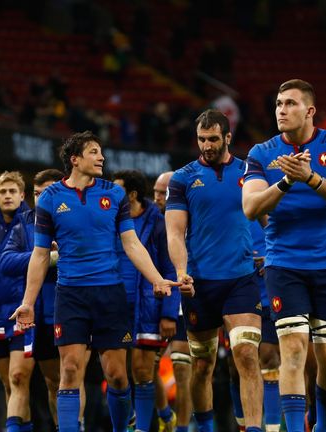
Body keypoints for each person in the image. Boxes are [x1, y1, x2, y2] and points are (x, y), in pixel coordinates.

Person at [10, 131, 183, 432]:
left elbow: (131, 243)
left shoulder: (114, 195)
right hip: (71, 295)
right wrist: (27, 302)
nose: (101, 157)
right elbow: (39, 256)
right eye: (93, 152)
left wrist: (157, 279)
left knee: (116, 374)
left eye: (100, 152)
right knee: (69, 369)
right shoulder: (50, 199)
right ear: (74, 159)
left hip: (109, 294)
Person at [241, 79, 326, 432]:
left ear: (309, 111)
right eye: (278, 103)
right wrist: (284, 182)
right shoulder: (262, 153)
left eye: (290, 103)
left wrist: (309, 177)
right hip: (284, 264)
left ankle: (322, 426)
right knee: (292, 353)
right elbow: (250, 207)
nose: (281, 110)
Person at [166, 109, 263, 432]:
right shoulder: (181, 179)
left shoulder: (250, 172)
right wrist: (181, 272)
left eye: (213, 139)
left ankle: (254, 428)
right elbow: (175, 233)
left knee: (247, 355)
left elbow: (268, 218)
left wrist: (269, 253)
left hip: (241, 279)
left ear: (227, 137)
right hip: (199, 283)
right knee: (203, 364)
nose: (206, 145)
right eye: (202, 139)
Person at [0, 168, 90, 429]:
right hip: (40, 314)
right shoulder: (24, 223)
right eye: (38, 193)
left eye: (47, 192)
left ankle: (77, 426)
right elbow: (6, 261)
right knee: (53, 381)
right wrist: (43, 258)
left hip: (74, 307)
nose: (42, 199)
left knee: (72, 374)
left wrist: (65, 255)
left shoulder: (78, 217)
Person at [112, 169, 179, 432]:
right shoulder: (111, 218)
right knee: (116, 373)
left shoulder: (158, 223)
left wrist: (169, 314)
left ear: (132, 194)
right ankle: (146, 417)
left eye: (117, 190)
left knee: (142, 371)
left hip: (147, 307)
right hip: (115, 305)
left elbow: (169, 268)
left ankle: (141, 427)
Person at [0, 171, 34, 432]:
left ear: (22, 195)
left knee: (18, 376)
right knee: (8, 383)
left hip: (22, 311)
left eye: (13, 191)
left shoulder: (34, 223)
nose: (8, 195)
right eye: (3, 191)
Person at [227, 219, 281, 432]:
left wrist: (272, 259)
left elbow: (288, 237)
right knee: (236, 365)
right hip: (234, 293)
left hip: (267, 294)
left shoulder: (269, 199)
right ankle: (243, 425)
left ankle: (272, 428)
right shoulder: (227, 205)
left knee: (269, 357)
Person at [156, 170, 193, 432]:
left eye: (163, 192)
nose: (158, 197)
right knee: (145, 366)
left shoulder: (193, 220)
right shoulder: (146, 221)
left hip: (183, 303)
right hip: (152, 303)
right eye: (156, 192)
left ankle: (181, 427)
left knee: (183, 369)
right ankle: (164, 415)